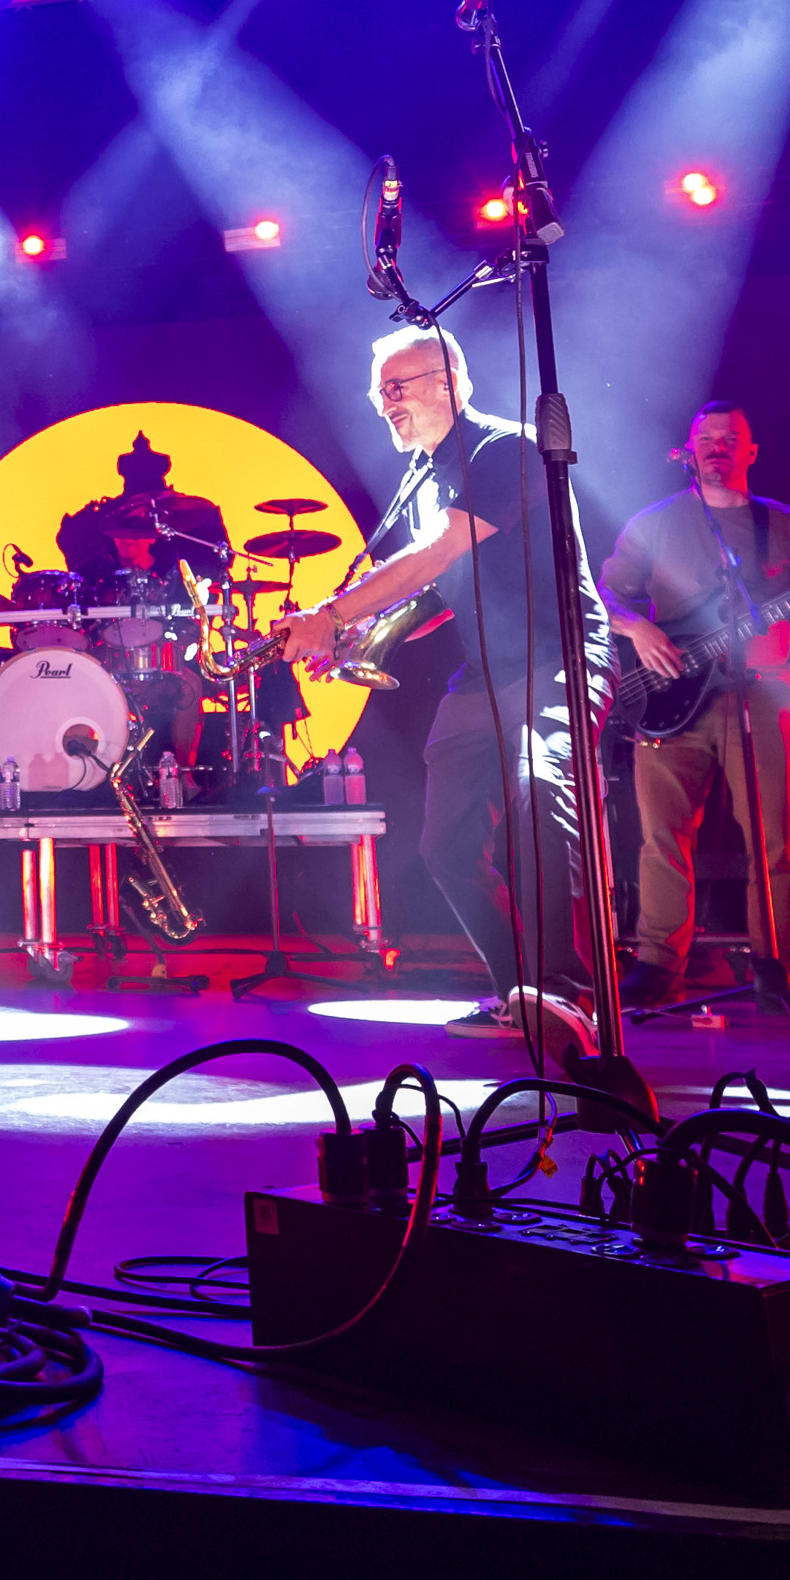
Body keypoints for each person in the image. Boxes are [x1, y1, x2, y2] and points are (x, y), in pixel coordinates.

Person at [275, 326, 606, 1052]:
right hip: (485, 674)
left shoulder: (505, 449)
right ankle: (521, 993)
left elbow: (440, 552)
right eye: (378, 392)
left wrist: (331, 615)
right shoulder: (426, 478)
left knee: (542, 791)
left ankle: (569, 994)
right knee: (445, 843)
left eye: (398, 387)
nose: (383, 404)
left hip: (557, 657)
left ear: (449, 380)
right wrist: (359, 636)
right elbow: (439, 590)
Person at [601, 402, 790, 1005]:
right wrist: (639, 629)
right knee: (662, 837)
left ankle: (781, 967)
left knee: (778, 838)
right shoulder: (653, 523)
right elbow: (603, 596)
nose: (717, 447)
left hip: (762, 690)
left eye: (730, 439)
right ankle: (659, 963)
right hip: (669, 694)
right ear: (689, 450)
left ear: (751, 452)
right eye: (707, 438)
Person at [55, 431, 232, 589]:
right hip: (113, 608)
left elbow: (220, 561)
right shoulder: (102, 517)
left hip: (182, 606)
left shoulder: (195, 514)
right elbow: (70, 542)